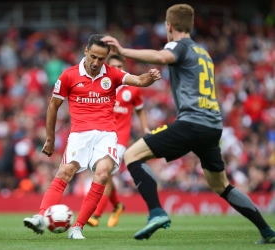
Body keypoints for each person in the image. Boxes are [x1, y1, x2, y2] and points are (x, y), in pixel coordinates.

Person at [101, 4, 275, 244]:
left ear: (169, 26)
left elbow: (163, 57)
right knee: (221, 185)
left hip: (191, 123)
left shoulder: (178, 46)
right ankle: (267, 231)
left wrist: (123, 51)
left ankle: (157, 213)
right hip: (212, 127)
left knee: (131, 155)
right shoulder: (203, 53)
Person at [23, 34, 161, 240]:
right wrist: (50, 139)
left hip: (106, 133)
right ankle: (41, 217)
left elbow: (139, 80)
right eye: (93, 57)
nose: (96, 62)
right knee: (65, 172)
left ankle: (77, 227)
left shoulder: (113, 74)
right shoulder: (69, 75)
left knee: (103, 174)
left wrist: (149, 77)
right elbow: (53, 106)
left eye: (101, 59)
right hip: (79, 134)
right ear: (86, 51)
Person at [87, 54, 150, 228]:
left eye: (119, 66)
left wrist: (145, 128)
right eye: (112, 65)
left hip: (120, 139)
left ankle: (96, 215)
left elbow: (141, 110)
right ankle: (117, 206)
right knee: (105, 175)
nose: (115, 68)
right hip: (101, 137)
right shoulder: (101, 86)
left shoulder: (133, 89)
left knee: (104, 174)